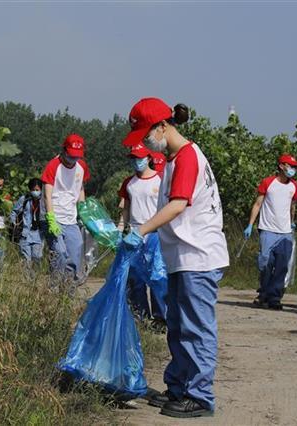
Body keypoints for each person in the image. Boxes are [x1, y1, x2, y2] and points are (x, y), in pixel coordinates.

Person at [121, 98, 229, 418]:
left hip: (199, 256)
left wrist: (140, 231)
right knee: (178, 325)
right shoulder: (172, 160)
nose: (144, 141)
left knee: (196, 328)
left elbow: (178, 204)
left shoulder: (188, 158)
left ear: (163, 126)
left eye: (145, 134)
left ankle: (200, 396)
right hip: (181, 256)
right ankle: (179, 386)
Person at [243, 153, 297, 310]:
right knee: (265, 264)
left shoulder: (294, 186)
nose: (293, 170)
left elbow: (292, 206)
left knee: (282, 265)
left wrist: (292, 221)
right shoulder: (268, 182)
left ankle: (275, 297)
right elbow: (257, 204)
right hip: (268, 230)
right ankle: (264, 293)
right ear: (282, 166)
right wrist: (250, 224)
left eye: (295, 167)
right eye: (291, 166)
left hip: (285, 231)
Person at [118, 142, 167, 326]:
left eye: (139, 158)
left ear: (148, 158)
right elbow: (125, 208)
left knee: (157, 276)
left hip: (155, 234)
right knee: (135, 277)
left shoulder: (160, 180)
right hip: (134, 234)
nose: (136, 162)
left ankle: (161, 317)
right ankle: (140, 315)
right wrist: (120, 229)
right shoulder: (129, 183)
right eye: (133, 159)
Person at [41, 134, 90, 287]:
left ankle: (67, 291)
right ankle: (54, 290)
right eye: (70, 155)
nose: (73, 159)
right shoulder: (53, 166)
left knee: (75, 255)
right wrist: (50, 218)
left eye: (76, 156)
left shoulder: (82, 167)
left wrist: (83, 211)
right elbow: (47, 195)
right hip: (55, 218)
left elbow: (80, 188)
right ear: (64, 150)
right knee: (60, 255)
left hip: (71, 219)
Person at [10, 178, 45, 270]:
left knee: (37, 257)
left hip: (39, 234)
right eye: (33, 190)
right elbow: (14, 211)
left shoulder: (44, 201)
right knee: (26, 259)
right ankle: (27, 281)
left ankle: (35, 278)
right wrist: (14, 224)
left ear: (41, 190)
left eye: (37, 190)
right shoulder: (24, 199)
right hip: (25, 233)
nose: (35, 192)